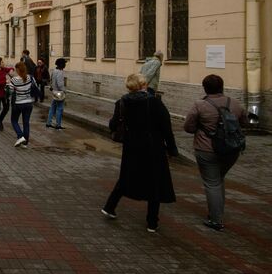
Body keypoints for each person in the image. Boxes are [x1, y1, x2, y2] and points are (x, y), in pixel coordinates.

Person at [103, 74, 178, 232]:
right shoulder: (154, 102)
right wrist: (172, 149)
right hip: (153, 147)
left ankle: (110, 206)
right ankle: (152, 222)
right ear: (143, 85)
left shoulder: (122, 101)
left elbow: (112, 124)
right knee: (154, 182)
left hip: (131, 146)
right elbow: (166, 127)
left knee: (126, 176)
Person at [183, 74, 249, 231]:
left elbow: (188, 127)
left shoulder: (200, 104)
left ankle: (216, 220)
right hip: (231, 150)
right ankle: (217, 213)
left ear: (205, 88)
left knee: (212, 183)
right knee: (218, 179)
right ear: (222, 86)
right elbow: (244, 123)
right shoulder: (234, 103)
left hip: (206, 149)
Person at [6, 62, 35, 148]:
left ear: (18, 70)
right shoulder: (30, 77)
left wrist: (7, 84)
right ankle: (25, 143)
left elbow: (10, 91)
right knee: (26, 123)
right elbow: (34, 86)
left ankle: (20, 136)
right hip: (29, 103)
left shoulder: (14, 80)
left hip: (19, 103)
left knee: (14, 120)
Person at [46, 58, 67, 129]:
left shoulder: (54, 71)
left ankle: (48, 122)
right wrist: (64, 90)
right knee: (59, 108)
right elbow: (60, 84)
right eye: (64, 63)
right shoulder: (60, 72)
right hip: (59, 93)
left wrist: (51, 87)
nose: (65, 65)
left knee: (52, 108)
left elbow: (51, 80)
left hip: (54, 91)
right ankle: (58, 124)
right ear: (62, 64)